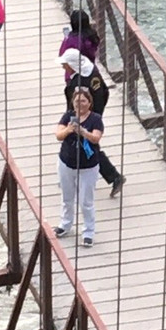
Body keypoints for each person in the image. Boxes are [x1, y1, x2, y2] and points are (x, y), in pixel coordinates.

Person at [57, 48, 125, 198]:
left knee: (87, 147)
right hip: (92, 114)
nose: (64, 68)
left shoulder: (78, 82)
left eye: (65, 64)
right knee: (87, 145)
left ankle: (113, 176)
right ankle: (110, 176)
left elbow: (73, 103)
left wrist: (81, 117)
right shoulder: (92, 71)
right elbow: (105, 92)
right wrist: (97, 115)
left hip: (81, 116)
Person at [54, 87, 103, 248]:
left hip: (88, 167)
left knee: (85, 201)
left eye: (83, 101)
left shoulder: (95, 119)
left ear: (89, 103)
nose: (79, 104)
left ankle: (88, 232)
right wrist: (69, 129)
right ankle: (65, 224)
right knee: (67, 197)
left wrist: (84, 132)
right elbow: (58, 135)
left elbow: (96, 138)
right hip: (66, 163)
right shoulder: (68, 116)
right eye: (77, 101)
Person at [58, 9, 100, 83]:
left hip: (72, 75)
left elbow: (62, 55)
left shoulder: (70, 39)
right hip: (90, 72)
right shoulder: (92, 37)